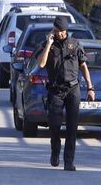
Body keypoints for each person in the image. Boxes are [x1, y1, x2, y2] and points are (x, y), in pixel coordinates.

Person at [37, 16, 95, 171]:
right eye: (57, 31)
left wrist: (90, 87)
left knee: (72, 127)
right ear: (53, 30)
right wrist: (48, 44)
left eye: (62, 31)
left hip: (73, 90)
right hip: (55, 90)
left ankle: (69, 161)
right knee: (54, 126)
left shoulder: (75, 44)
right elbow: (41, 64)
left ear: (66, 30)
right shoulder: (48, 44)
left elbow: (83, 66)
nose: (60, 34)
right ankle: (55, 151)